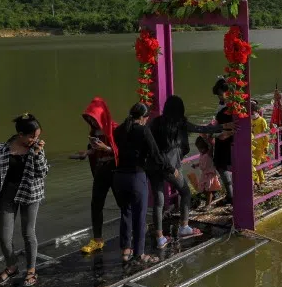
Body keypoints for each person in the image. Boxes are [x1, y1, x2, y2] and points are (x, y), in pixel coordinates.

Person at [149, 95, 230, 249]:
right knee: (185, 192)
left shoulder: (156, 122)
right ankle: (184, 227)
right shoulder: (181, 123)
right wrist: (224, 127)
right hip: (170, 168)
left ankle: (160, 238)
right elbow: (201, 129)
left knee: (158, 202)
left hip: (153, 167)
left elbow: (150, 145)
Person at [0, 114, 49, 287]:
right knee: (4, 236)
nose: (35, 140)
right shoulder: (3, 150)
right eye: (32, 136)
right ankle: (12, 265)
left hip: (30, 194)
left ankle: (31, 269)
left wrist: (36, 154)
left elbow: (42, 173)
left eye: (37, 136)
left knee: (28, 233)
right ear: (20, 134)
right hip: (7, 195)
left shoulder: (36, 148)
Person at [112, 102, 162, 263]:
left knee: (125, 213)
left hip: (119, 177)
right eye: (146, 118)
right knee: (139, 216)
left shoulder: (119, 130)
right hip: (136, 176)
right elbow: (155, 153)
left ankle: (126, 250)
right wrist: (168, 168)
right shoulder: (143, 130)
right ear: (143, 117)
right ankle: (139, 253)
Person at [69, 98, 119, 255]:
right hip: (101, 171)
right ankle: (97, 239)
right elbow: (95, 150)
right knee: (96, 204)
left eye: (93, 118)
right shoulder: (94, 132)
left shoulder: (115, 129)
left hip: (115, 170)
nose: (91, 122)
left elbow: (122, 152)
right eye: (89, 119)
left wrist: (107, 148)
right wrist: (87, 153)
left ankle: (130, 232)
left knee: (123, 203)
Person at [211, 78, 236, 203]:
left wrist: (229, 133)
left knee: (230, 165)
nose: (220, 97)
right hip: (221, 139)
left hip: (231, 140)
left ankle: (234, 194)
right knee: (220, 165)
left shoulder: (234, 105)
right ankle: (230, 193)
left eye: (221, 94)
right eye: (218, 95)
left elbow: (239, 124)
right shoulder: (222, 104)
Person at [192, 136, 222, 207]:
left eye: (201, 148)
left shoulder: (209, 154)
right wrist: (196, 165)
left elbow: (211, 146)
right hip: (204, 174)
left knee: (208, 190)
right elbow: (202, 162)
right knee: (203, 189)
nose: (200, 150)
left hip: (209, 174)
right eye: (199, 148)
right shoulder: (202, 154)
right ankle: (213, 198)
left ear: (206, 147)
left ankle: (208, 205)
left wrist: (209, 139)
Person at [251, 100, 269, 187]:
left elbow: (266, 135)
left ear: (257, 112)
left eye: (253, 112)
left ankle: (261, 180)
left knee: (257, 164)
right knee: (253, 164)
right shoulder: (250, 121)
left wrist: (266, 146)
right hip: (252, 146)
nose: (252, 114)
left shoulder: (262, 121)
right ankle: (256, 181)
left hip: (260, 146)